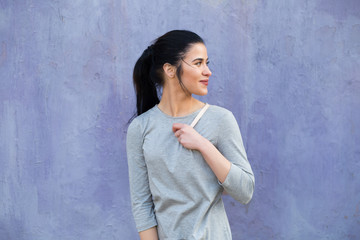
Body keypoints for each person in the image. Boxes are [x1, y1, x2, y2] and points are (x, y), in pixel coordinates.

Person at [126, 30, 254, 240]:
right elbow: (142, 204)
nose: (208, 71)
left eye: (207, 62)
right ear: (169, 69)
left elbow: (245, 191)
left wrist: (204, 145)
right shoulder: (140, 128)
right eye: (198, 63)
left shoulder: (220, 119)